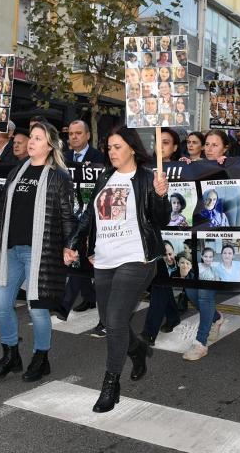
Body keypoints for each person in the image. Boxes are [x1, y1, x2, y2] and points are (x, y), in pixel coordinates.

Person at [68, 125, 170, 413]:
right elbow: (89, 215)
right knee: (113, 321)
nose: (111, 152)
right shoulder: (105, 177)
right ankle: (138, 350)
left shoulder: (148, 179)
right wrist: (74, 242)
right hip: (104, 259)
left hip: (136, 258)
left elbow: (160, 220)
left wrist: (161, 196)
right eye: (109, 147)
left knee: (113, 323)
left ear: (132, 148)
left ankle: (111, 385)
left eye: (117, 147)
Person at [0, 121, 78, 384]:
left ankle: (40, 358)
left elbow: (68, 217)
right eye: (30, 137)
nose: (31, 142)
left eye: (37, 138)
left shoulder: (59, 177)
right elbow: (2, 207)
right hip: (11, 249)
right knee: (1, 305)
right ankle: (11, 355)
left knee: (37, 309)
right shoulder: (17, 171)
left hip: (40, 251)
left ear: (50, 145)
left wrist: (71, 246)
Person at [139, 240, 182, 347]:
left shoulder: (182, 261)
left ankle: (149, 333)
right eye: (164, 255)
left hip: (191, 284)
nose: (168, 257)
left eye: (170, 254)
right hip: (158, 284)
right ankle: (173, 318)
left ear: (174, 252)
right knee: (160, 290)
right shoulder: (159, 263)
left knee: (161, 290)